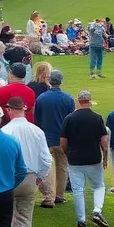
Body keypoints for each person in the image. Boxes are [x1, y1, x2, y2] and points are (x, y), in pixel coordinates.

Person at [0, 96, 51, 227]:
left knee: (6, 219)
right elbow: (45, 158)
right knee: (24, 219)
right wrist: (40, 176)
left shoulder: (5, 131)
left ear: (8, 110)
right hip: (30, 178)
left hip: (10, 178)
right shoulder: (36, 131)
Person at [62, 89, 110, 227]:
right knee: (99, 185)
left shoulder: (69, 118)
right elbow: (104, 141)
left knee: (78, 190)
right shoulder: (97, 118)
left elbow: (63, 141)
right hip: (93, 158)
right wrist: (105, 157)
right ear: (89, 101)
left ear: (78, 101)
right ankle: (97, 210)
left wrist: (67, 154)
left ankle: (81, 220)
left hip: (75, 159)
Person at [35, 70, 75, 204]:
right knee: (62, 167)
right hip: (62, 139)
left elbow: (37, 120)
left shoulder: (41, 98)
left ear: (49, 80)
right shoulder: (68, 98)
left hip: (46, 139)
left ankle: (49, 195)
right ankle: (59, 194)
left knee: (47, 167)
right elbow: (71, 121)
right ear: (61, 81)